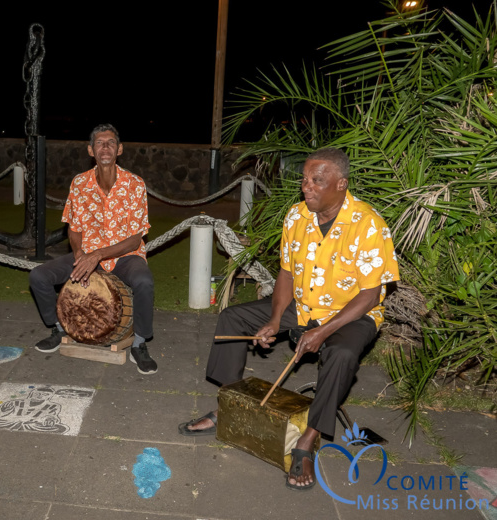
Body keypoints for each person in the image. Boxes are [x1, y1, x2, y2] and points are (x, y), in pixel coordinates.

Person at [178, 148, 400, 490]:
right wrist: (275, 318)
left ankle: (308, 440)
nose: (306, 187)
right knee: (231, 320)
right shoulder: (297, 217)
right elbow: (286, 274)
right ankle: (230, 405)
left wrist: (324, 332)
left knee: (340, 355)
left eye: (316, 181)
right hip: (303, 305)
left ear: (341, 184)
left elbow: (369, 295)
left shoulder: (369, 224)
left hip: (351, 314)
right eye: (304, 179)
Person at [29, 124, 157, 374]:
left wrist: (98, 255)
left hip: (125, 256)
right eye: (100, 143)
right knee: (39, 276)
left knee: (143, 281)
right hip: (87, 254)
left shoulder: (134, 184)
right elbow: (73, 228)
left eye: (111, 142)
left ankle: (140, 344)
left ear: (119, 149)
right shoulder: (79, 183)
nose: (105, 147)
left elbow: (135, 238)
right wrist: (79, 254)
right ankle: (59, 327)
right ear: (91, 150)